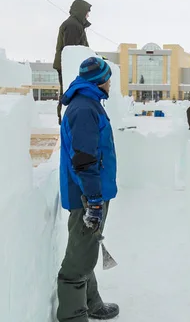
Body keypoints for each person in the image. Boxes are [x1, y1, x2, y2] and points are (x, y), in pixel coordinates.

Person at [57, 56, 119, 321]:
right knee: (78, 261)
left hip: (93, 191)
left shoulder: (89, 103)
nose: (110, 83)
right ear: (100, 80)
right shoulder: (84, 109)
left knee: (87, 249)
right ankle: (72, 316)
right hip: (87, 194)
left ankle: (92, 304)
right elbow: (84, 159)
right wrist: (93, 200)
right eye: (108, 78)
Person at [53, 0, 92, 125]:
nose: (88, 15)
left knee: (70, 92)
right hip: (69, 67)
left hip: (69, 66)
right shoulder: (72, 25)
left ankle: (66, 120)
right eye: (87, 12)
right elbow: (71, 50)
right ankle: (66, 120)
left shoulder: (75, 24)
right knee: (69, 93)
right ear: (81, 11)